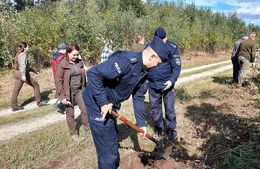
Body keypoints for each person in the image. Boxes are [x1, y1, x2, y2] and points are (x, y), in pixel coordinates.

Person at [82, 36, 169, 169]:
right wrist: (103, 102)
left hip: (111, 104)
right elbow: (93, 73)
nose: (157, 66)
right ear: (152, 56)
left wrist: (141, 123)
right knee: (107, 149)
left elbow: (138, 97)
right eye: (158, 63)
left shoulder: (143, 71)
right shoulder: (125, 61)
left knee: (112, 140)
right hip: (97, 102)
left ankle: (113, 163)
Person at [147, 27, 181, 142]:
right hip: (152, 85)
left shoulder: (172, 47)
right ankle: (158, 128)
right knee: (154, 108)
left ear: (166, 38)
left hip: (167, 84)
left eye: (162, 40)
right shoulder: (149, 46)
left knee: (169, 108)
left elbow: (177, 67)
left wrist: (171, 81)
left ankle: (171, 131)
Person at [55, 44, 89, 140]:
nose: (76, 57)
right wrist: (62, 97)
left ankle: (87, 128)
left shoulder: (79, 62)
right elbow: (58, 81)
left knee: (85, 110)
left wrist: (85, 88)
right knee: (70, 114)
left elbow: (84, 75)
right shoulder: (62, 63)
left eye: (77, 55)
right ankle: (73, 133)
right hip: (68, 92)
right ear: (68, 53)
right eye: (74, 55)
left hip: (79, 90)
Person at [11, 42, 47, 111]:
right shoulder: (23, 55)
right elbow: (23, 66)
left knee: (16, 89)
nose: (28, 47)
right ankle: (39, 102)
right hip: (22, 73)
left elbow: (25, 66)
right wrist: (24, 75)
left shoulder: (18, 54)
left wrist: (34, 71)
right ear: (25, 48)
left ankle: (14, 106)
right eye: (28, 46)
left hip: (17, 73)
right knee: (36, 85)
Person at [51, 42, 67, 113]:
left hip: (56, 76)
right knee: (64, 91)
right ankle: (59, 104)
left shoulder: (54, 56)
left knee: (60, 91)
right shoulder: (61, 57)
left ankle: (59, 104)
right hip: (62, 77)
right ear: (63, 49)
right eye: (66, 49)